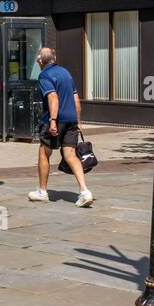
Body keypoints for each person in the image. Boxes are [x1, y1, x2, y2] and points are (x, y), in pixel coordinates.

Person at [29, 46, 93, 207]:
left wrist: (52, 121)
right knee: (71, 154)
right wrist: (77, 121)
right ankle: (85, 191)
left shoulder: (44, 75)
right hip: (71, 119)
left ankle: (42, 192)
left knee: (44, 152)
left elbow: (53, 98)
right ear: (54, 59)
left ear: (40, 61)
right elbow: (76, 100)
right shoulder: (65, 73)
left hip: (55, 120)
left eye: (38, 58)